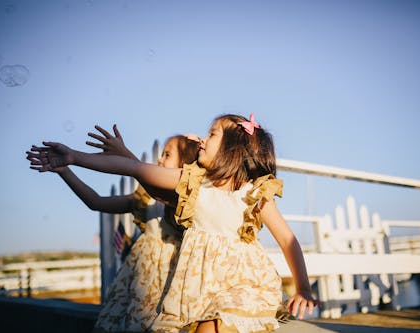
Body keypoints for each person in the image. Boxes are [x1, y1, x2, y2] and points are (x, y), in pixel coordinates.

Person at [28, 113, 318, 333]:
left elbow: (287, 239)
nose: (203, 139)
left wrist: (303, 289)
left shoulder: (255, 194)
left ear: (233, 148)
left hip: (242, 285)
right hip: (200, 287)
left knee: (214, 325)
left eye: (212, 134)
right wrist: (75, 159)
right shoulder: (191, 184)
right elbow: (135, 168)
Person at [28, 125, 200, 332]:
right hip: (140, 284)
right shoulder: (144, 200)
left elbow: (143, 174)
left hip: (169, 284)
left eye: (167, 154)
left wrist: (121, 155)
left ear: (185, 163)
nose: (160, 160)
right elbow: (96, 202)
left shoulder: (182, 201)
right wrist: (65, 172)